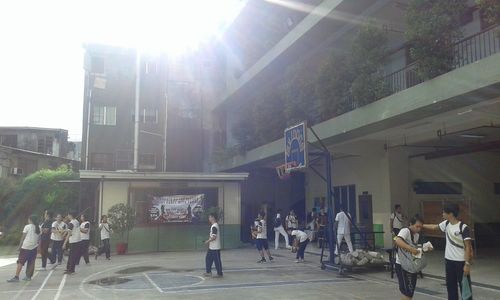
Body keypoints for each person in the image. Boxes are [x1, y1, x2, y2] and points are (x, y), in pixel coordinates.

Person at [423, 203, 473, 300]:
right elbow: (434, 227)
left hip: (461, 262)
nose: (442, 214)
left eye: (444, 212)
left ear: (451, 214)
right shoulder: (446, 224)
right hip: (449, 261)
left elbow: (468, 247)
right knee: (451, 287)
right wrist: (421, 225)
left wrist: (467, 264)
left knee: (465, 287)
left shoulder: (463, 227)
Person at [394, 215, 431, 300]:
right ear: (411, 224)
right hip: (402, 265)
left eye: (420, 227)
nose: (418, 229)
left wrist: (425, 248)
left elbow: (416, 249)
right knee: (407, 292)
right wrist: (411, 249)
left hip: (411, 265)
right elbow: (398, 240)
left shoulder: (417, 235)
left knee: (409, 291)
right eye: (417, 226)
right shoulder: (405, 230)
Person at [7, 215, 40, 282]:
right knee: (31, 262)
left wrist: (19, 247)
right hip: (34, 247)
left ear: (30, 220)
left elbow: (23, 237)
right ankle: (28, 276)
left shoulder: (27, 226)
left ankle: (16, 277)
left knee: (20, 262)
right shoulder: (39, 227)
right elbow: (38, 238)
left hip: (25, 247)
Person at [203, 213, 223, 278]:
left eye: (210, 217)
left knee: (217, 261)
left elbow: (214, 237)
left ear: (213, 218)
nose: (209, 219)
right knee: (208, 259)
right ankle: (208, 272)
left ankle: (219, 273)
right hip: (211, 247)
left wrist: (207, 241)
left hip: (215, 247)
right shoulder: (213, 226)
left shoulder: (214, 226)